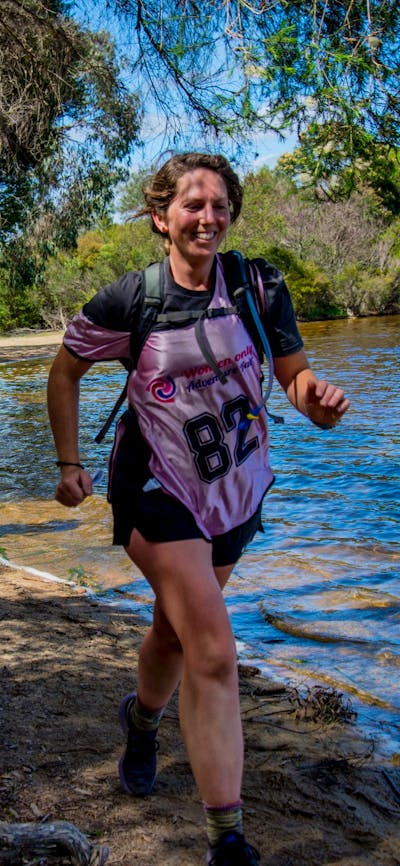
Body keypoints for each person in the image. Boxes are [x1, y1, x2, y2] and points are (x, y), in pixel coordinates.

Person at [47, 152, 350, 866]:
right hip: (155, 490)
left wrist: (321, 404)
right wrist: (68, 463)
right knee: (214, 646)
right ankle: (227, 840)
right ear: (162, 217)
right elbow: (64, 370)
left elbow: (295, 378)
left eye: (219, 205)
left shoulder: (257, 286)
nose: (208, 217)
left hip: (234, 494)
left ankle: (143, 719)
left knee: (178, 634)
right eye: (192, 205)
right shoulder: (132, 301)